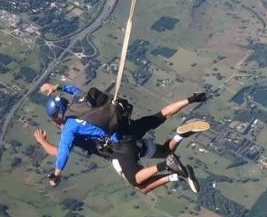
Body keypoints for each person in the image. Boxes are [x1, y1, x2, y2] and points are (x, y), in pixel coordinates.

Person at [32, 82, 208, 192]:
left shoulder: (70, 130)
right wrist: (57, 87)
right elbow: (74, 89)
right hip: (127, 126)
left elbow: (60, 153)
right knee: (160, 118)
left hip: (121, 147)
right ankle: (187, 110)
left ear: (58, 115)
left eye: (55, 118)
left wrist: (55, 170)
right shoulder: (79, 102)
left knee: (136, 181)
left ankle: (168, 166)